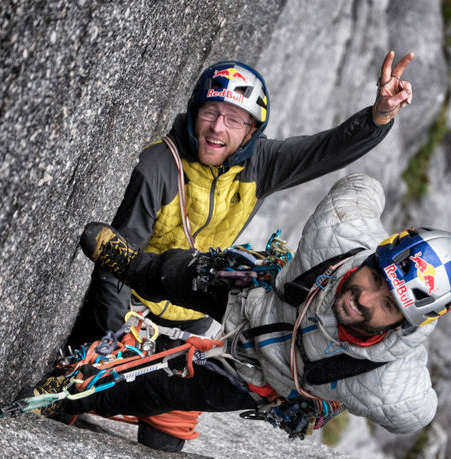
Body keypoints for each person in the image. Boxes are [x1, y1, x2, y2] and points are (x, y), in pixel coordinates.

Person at [66, 51, 414, 450]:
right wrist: (116, 335)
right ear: (194, 113)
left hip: (190, 324)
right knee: (74, 394)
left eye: (234, 119)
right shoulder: (159, 166)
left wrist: (378, 116)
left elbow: (325, 150)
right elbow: (118, 262)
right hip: (133, 310)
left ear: (251, 131)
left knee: (165, 437)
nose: (217, 128)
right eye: (210, 112)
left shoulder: (259, 165)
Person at [63, 174, 451, 441]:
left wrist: (334, 396)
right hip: (260, 293)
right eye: (378, 279)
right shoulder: (341, 232)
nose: (364, 299)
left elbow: (416, 413)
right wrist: (378, 119)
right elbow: (364, 186)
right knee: (179, 274)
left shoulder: (388, 383)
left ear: (405, 324)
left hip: (263, 376)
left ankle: (74, 397)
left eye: (388, 304)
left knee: (168, 386)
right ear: (372, 256)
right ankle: (132, 266)